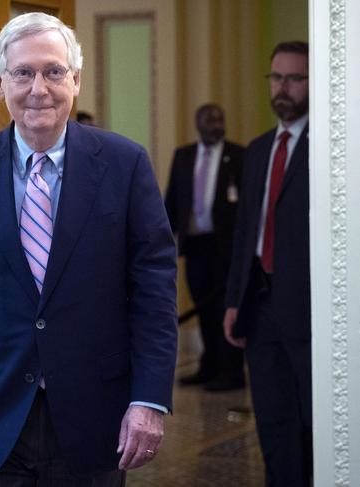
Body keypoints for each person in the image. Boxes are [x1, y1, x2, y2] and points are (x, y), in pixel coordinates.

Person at [0, 11, 178, 486]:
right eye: (23, 73)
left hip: (94, 417)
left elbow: (154, 294)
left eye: (53, 71)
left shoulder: (125, 165)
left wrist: (148, 400)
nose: (38, 88)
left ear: (77, 80)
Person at [223, 41, 310, 486]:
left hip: (313, 311)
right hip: (260, 306)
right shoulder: (257, 150)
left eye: (295, 78)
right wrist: (234, 300)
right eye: (277, 78)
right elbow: (245, 234)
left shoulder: (331, 151)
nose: (284, 88)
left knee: (313, 421)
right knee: (273, 420)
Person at [165, 104, 246, 391]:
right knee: (202, 307)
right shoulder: (184, 156)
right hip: (196, 246)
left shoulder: (238, 155)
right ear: (198, 124)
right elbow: (172, 202)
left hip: (227, 247)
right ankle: (208, 366)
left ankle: (232, 371)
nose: (216, 124)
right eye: (210, 120)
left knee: (227, 307)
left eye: (220, 119)